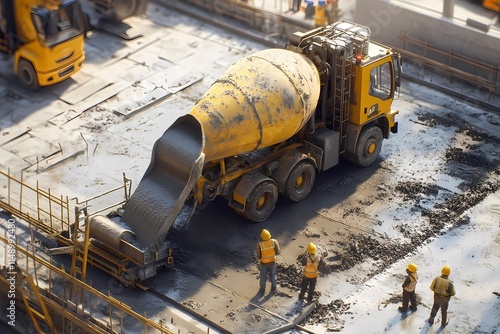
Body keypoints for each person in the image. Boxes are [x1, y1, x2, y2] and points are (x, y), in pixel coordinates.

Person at [256, 229, 281, 294]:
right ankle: (274, 287)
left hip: (263, 263)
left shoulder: (260, 244)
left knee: (263, 276)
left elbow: (258, 255)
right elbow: (278, 252)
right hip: (272, 262)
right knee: (273, 275)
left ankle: (262, 289)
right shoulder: (274, 241)